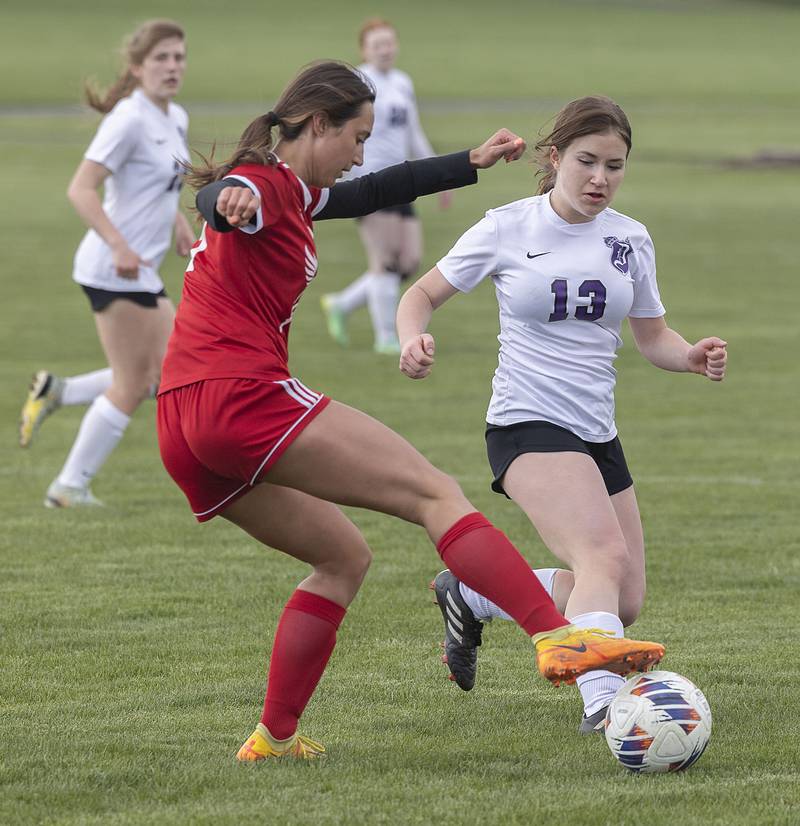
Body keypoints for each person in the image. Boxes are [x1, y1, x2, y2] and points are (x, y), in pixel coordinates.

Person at [166, 64, 665, 761]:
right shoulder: (266, 186)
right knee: (436, 494)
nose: (362, 154)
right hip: (240, 395)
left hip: (180, 421)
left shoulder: (300, 193)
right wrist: (229, 203)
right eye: (357, 136)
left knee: (341, 557)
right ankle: (556, 634)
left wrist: (470, 161)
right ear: (318, 125)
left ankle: (273, 738)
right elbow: (231, 191)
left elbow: (375, 191)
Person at [396, 95, 726, 734]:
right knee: (603, 555)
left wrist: (690, 356)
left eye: (615, 166)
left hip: (597, 432)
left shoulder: (630, 238)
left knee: (622, 598)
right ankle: (606, 707)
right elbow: (422, 293)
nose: (600, 178)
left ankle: (470, 594)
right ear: (555, 158)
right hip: (526, 423)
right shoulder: (506, 226)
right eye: (587, 162)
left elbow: (651, 336)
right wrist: (413, 338)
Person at [18, 19, 194, 508]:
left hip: (139, 269)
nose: (172, 67)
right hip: (111, 268)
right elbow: (81, 189)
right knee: (141, 380)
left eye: (179, 57)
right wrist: (118, 245)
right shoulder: (128, 120)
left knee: (159, 374)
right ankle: (68, 487)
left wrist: (177, 222)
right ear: (137, 68)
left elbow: (160, 186)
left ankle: (59, 391)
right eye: (161, 58)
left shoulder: (174, 117)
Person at [319, 19, 450, 355]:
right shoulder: (358, 83)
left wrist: (439, 174)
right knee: (385, 261)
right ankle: (386, 338)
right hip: (369, 181)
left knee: (408, 261)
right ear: (364, 49)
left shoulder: (402, 82)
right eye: (377, 45)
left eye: (389, 43)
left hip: (402, 179)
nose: (385, 50)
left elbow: (413, 132)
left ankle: (342, 304)